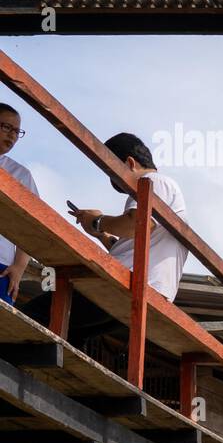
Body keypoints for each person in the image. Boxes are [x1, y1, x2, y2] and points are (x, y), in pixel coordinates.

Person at [25, 132, 190, 344]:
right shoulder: (166, 189)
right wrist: (102, 235)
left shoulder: (153, 181)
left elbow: (134, 225)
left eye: (111, 171)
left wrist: (98, 221)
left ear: (129, 163)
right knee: (71, 334)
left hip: (129, 287)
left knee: (34, 313)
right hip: (143, 291)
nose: (112, 179)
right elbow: (137, 242)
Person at [0, 103, 39, 305]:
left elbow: (32, 226)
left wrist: (19, 267)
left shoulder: (19, 175)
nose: (13, 135)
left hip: (1, 265)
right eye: (6, 127)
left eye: (17, 131)